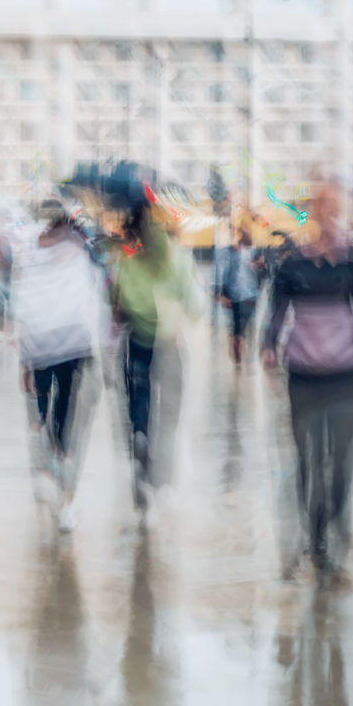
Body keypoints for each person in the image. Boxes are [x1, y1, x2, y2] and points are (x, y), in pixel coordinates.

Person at [261, 179, 353, 581]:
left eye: (333, 206)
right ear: (312, 213)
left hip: (348, 377)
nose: (327, 213)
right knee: (308, 459)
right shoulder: (292, 265)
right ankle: (316, 537)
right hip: (303, 377)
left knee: (341, 464)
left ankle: (334, 517)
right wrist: (268, 347)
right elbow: (277, 313)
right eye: (320, 206)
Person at [13, 199, 106, 532]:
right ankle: (57, 457)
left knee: (50, 399)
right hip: (68, 341)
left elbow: (25, 299)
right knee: (63, 401)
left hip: (48, 342)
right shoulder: (77, 249)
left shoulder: (37, 252)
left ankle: (51, 457)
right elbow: (92, 297)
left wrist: (23, 351)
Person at [112, 189, 203, 509]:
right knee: (170, 411)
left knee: (138, 397)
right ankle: (161, 475)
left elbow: (117, 304)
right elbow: (196, 306)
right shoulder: (176, 256)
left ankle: (139, 437)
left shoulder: (126, 256)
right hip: (169, 342)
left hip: (136, 339)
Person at [216, 228, 265, 365]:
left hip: (238, 294)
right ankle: (240, 343)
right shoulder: (253, 252)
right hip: (249, 295)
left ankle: (238, 343)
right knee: (244, 324)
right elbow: (263, 274)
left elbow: (227, 273)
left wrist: (224, 293)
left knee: (237, 324)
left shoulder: (239, 252)